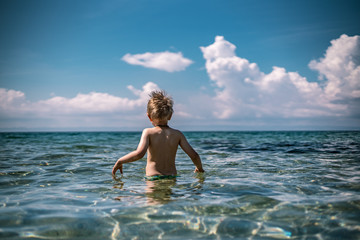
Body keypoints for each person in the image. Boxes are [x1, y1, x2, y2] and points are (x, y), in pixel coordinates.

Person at [112, 90, 204, 180]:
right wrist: (199, 168)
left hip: (153, 177)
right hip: (171, 177)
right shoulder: (177, 134)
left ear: (149, 117)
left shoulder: (148, 132)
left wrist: (120, 161)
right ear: (170, 115)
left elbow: (139, 154)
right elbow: (194, 155)